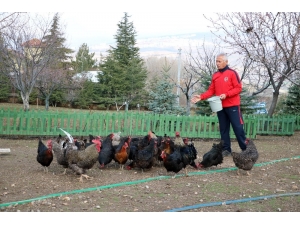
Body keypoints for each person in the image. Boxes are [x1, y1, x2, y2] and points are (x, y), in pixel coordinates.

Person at [191, 53, 248, 157]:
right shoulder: (215, 75)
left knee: (238, 128)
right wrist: (201, 97)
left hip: (233, 106)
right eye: (216, 61)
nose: (217, 63)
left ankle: (245, 149)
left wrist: (226, 94)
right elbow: (211, 90)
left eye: (219, 61)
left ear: (226, 62)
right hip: (220, 107)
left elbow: (238, 88)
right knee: (223, 129)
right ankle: (226, 149)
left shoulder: (232, 73)